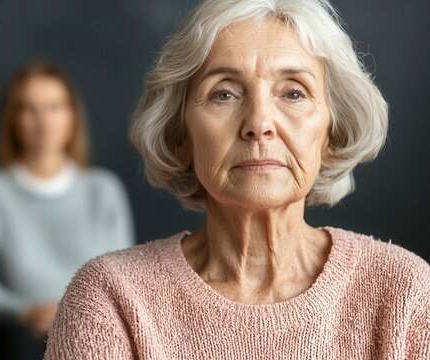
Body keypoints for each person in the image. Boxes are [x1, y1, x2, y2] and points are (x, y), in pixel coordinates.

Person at [44, 0, 430, 359]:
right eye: (224, 94)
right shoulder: (110, 298)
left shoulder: (405, 292)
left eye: (293, 93)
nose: (259, 124)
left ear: (333, 134)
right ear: (180, 137)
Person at [0, 62, 135, 359]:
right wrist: (26, 312)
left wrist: (71, 313)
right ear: (12, 120)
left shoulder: (103, 190)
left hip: (87, 324)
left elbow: (120, 279)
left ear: (72, 117)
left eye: (54, 107)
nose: (43, 121)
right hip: (12, 331)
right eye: (29, 109)